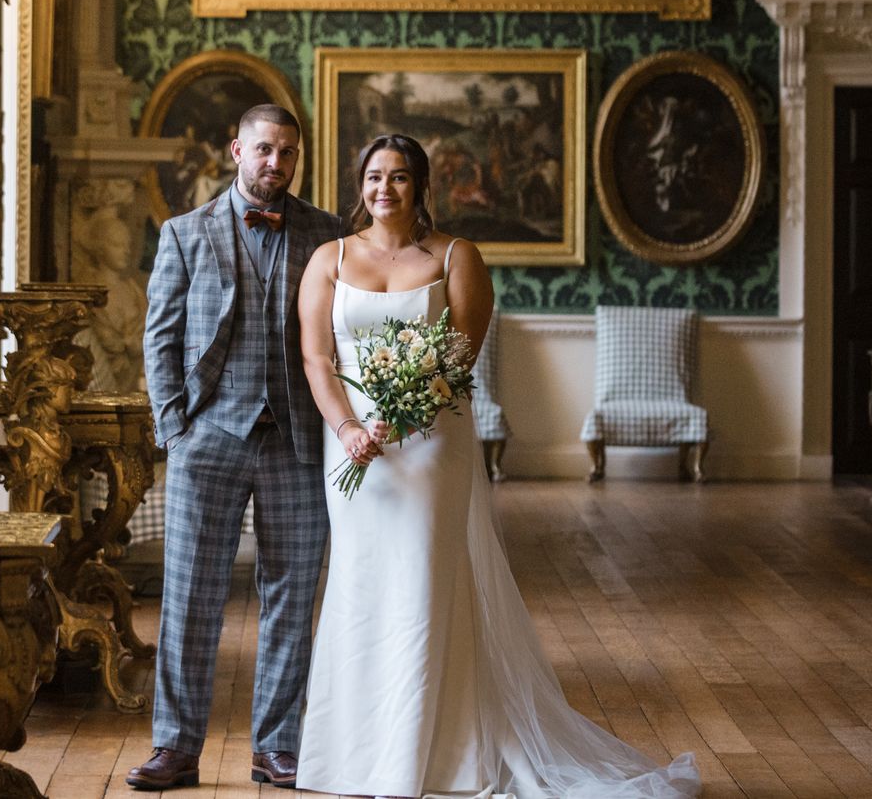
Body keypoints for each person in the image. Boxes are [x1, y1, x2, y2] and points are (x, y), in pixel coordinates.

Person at [294, 133, 702, 798]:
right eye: (373, 177)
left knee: (425, 585)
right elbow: (316, 358)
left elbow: (458, 354)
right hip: (352, 450)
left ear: (421, 186)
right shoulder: (328, 259)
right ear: (358, 184)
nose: (383, 189)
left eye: (399, 178)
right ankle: (351, 757)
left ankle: (430, 757)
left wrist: (398, 416)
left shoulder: (457, 256)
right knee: (359, 588)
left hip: (429, 444)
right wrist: (346, 427)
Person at [133, 103, 345, 791]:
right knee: (189, 596)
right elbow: (159, 337)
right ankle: (175, 747)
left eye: (286, 152)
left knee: (290, 596)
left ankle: (277, 746)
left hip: (296, 442)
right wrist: (173, 428)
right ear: (235, 150)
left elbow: (340, 339)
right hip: (208, 439)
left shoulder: (327, 236)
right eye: (262, 150)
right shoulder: (183, 233)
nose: (274, 163)